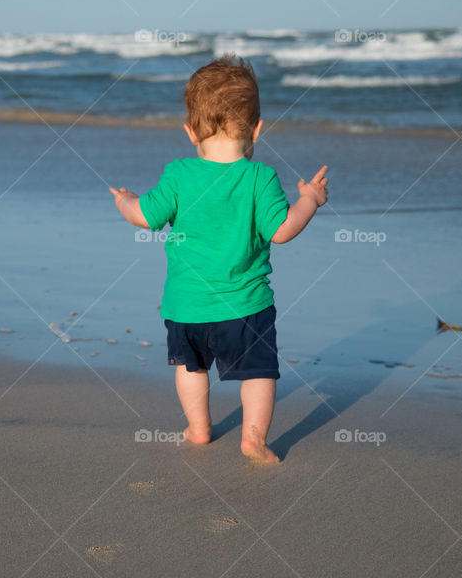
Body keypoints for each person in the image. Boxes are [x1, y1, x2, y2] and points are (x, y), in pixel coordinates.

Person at [109, 55, 328, 463]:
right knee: (259, 373)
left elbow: (144, 217)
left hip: (186, 305)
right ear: (258, 129)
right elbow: (282, 232)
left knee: (191, 369)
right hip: (246, 305)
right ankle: (254, 438)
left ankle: (198, 428)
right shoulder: (260, 178)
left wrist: (125, 200)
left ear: (191, 132)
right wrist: (309, 200)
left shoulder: (178, 175)